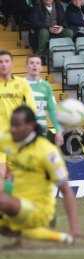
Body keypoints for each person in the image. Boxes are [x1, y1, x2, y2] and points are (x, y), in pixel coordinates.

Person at [0, 106, 80, 243]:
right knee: (7, 228)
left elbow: (66, 190)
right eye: (12, 125)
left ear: (31, 125)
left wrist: (75, 229)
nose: (13, 129)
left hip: (39, 209)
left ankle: (48, 223)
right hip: (17, 201)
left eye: (17, 125)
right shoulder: (8, 139)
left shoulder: (47, 152)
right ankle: (61, 238)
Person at [0, 49, 36, 179]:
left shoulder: (22, 83)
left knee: (14, 176)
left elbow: (32, 109)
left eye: (6, 61)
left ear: (11, 64)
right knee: (1, 173)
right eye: (0, 62)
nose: (3, 64)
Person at [25, 54, 64, 146]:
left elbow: (52, 110)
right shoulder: (20, 85)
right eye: (31, 63)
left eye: (38, 63)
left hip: (41, 132)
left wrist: (58, 130)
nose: (35, 65)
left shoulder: (46, 86)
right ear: (26, 66)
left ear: (41, 67)